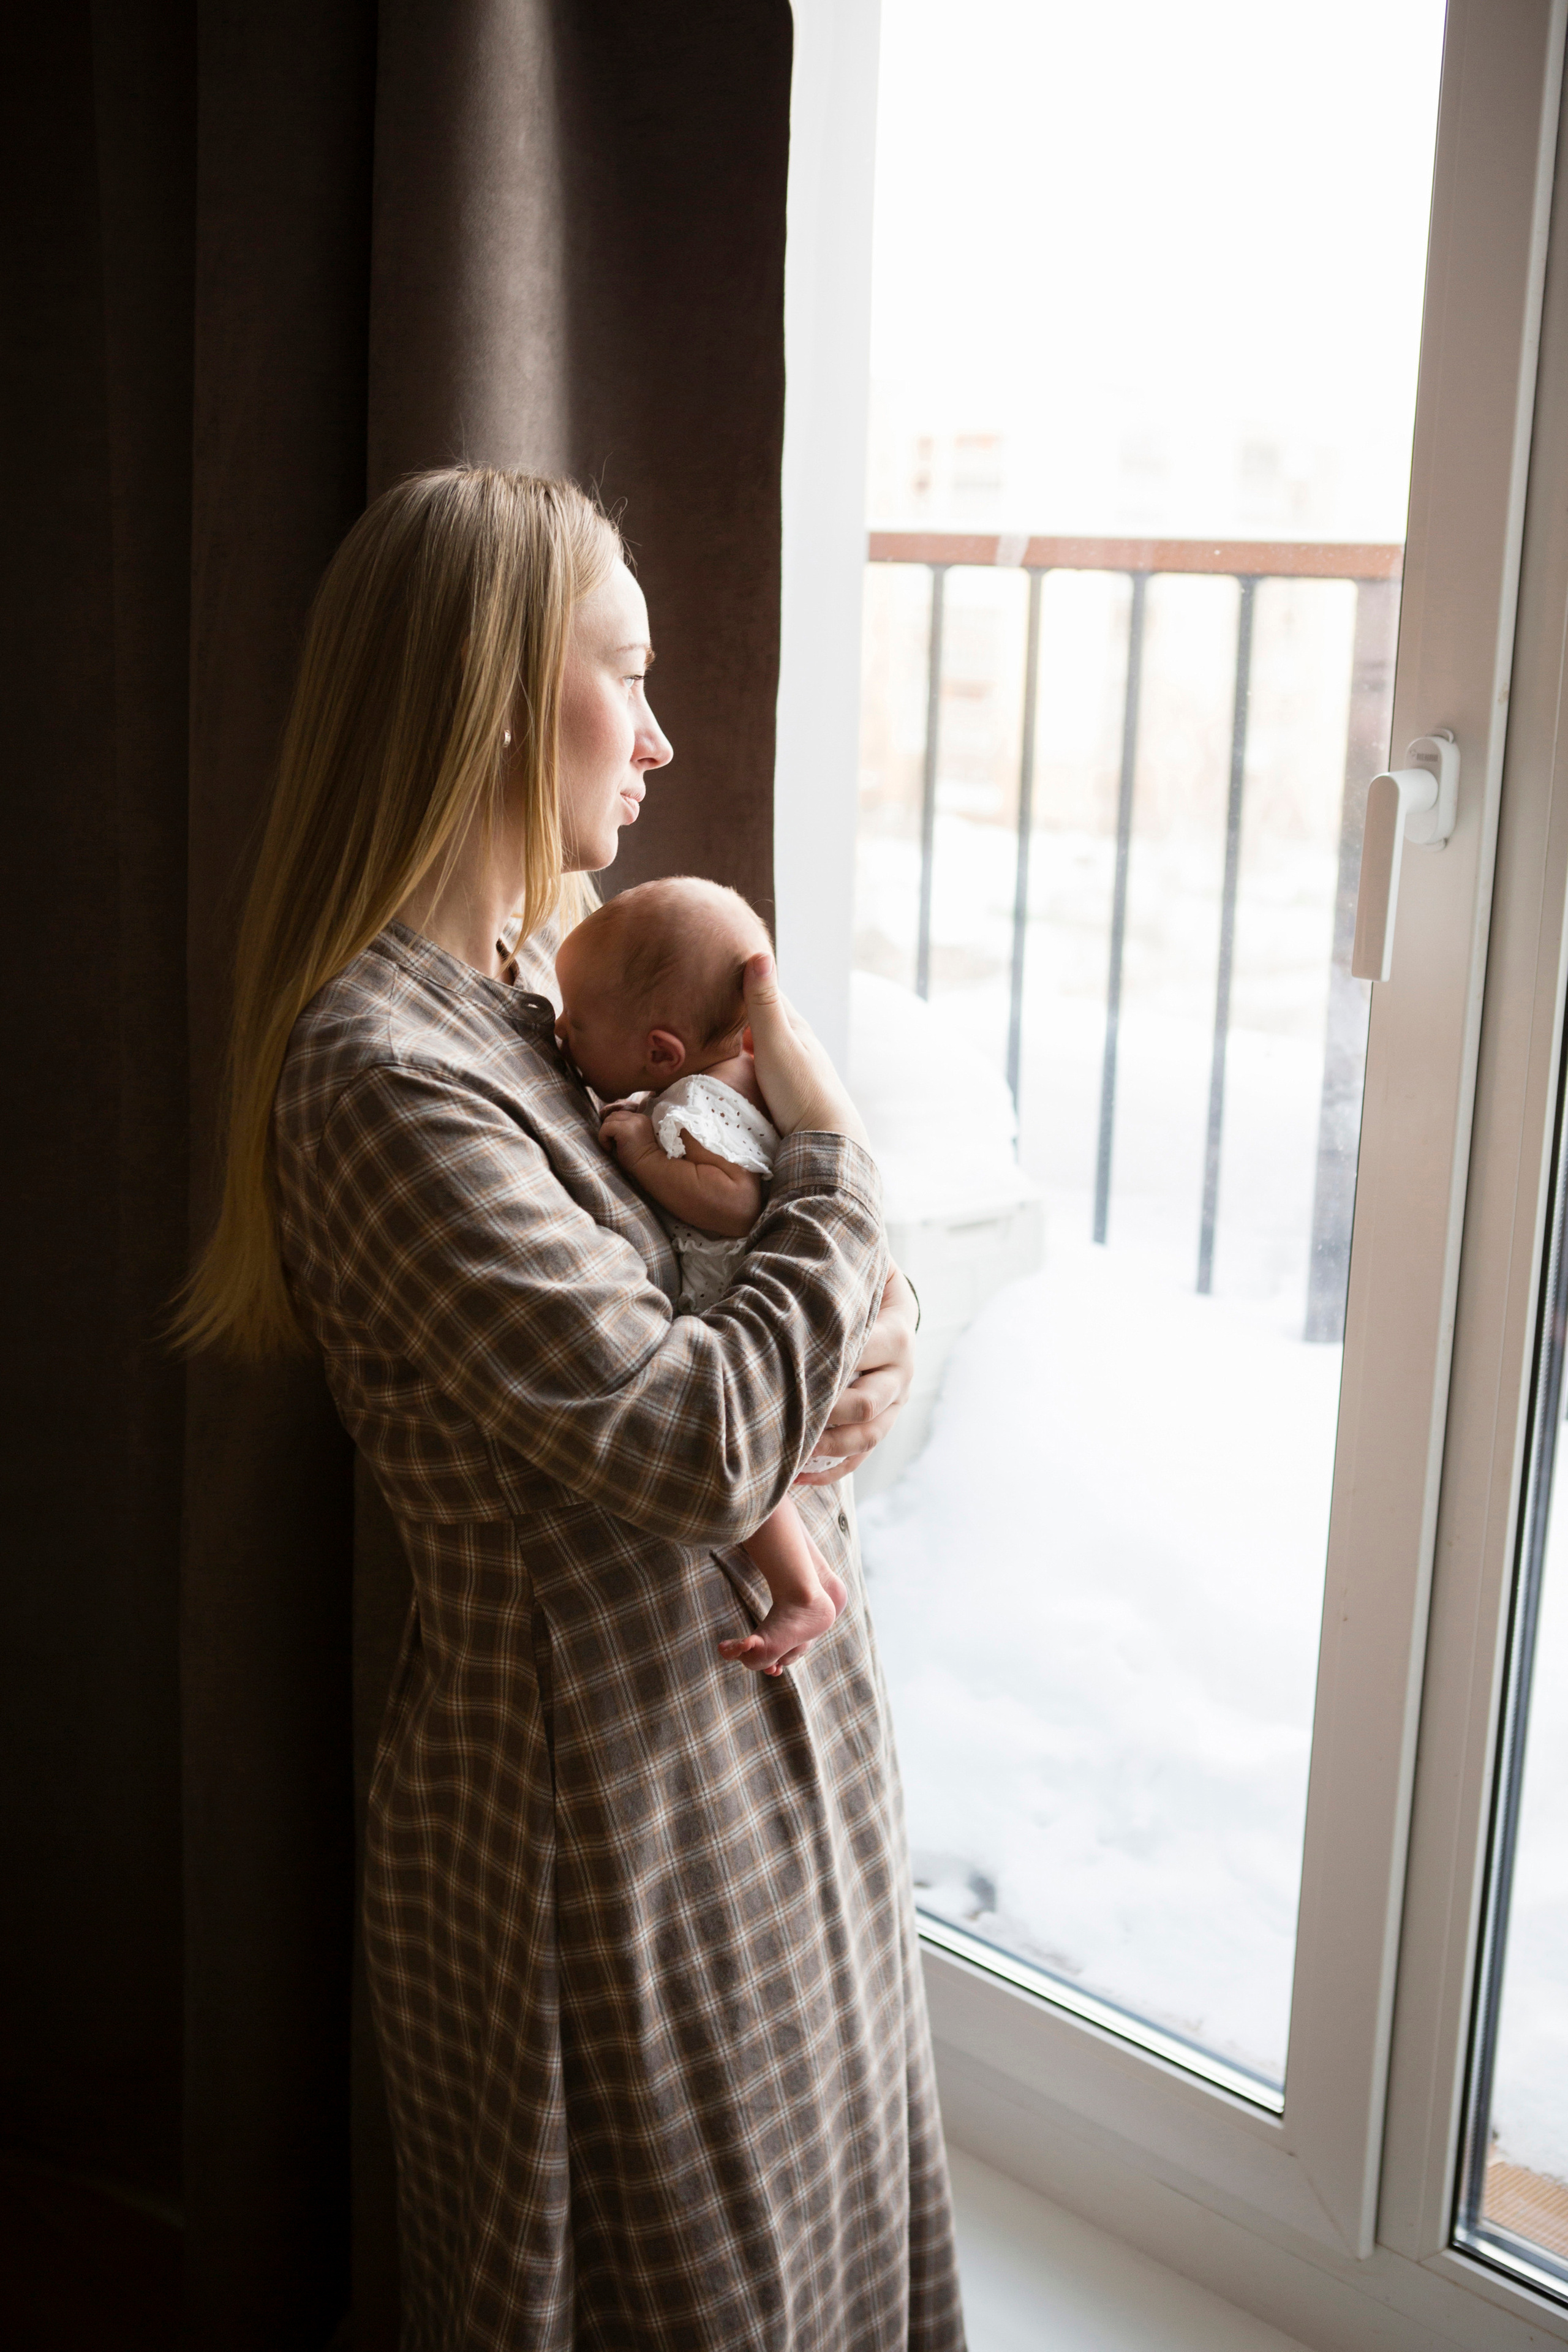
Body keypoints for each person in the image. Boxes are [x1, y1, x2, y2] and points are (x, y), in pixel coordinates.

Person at [180, 468, 966, 2351]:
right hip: (603, 1825)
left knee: (831, 2256)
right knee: (677, 2297)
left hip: (769, 1754)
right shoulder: (383, 1075)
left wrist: (876, 1326)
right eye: (630, 673)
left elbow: (777, 1290)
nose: (663, 737)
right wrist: (841, 1166)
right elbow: (698, 1440)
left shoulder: (564, 986)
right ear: (490, 693)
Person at [556, 874, 849, 1678]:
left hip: (732, 1288)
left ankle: (802, 1590)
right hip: (785, 1285)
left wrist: (645, 1153)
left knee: (745, 1464)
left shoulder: (692, 1102)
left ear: (660, 1052)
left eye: (577, 1022)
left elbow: (733, 1201)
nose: (560, 1031)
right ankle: (813, 1579)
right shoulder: (754, 1073)